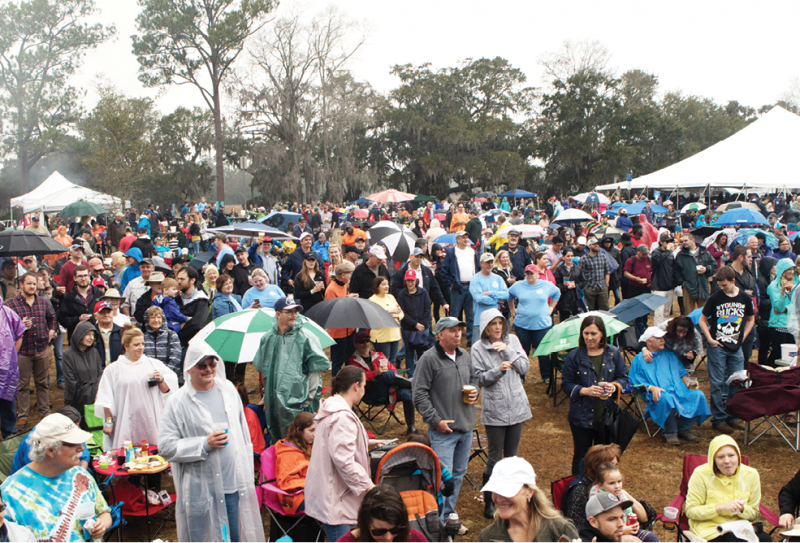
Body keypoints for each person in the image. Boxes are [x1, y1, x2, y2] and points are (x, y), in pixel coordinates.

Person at [159, 347, 264, 543]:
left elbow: (242, 436)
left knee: (234, 536)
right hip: (201, 488)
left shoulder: (228, 392)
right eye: (202, 366)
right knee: (204, 538)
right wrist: (203, 444)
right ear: (189, 368)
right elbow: (165, 447)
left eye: (212, 364)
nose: (208, 369)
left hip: (231, 484)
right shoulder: (177, 402)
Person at [0, 413, 112, 541]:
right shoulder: (10, 493)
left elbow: (104, 512)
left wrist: (101, 525)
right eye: (73, 444)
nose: (81, 448)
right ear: (51, 450)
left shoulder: (80, 474)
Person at [412, 317, 476, 531]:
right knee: (441, 477)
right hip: (443, 432)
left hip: (465, 427)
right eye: (452, 331)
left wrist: (475, 391)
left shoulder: (465, 356)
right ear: (440, 334)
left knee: (458, 474)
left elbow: (473, 380)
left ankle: (448, 516)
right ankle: (433, 521)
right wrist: (435, 420)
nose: (458, 334)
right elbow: (418, 394)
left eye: (459, 330)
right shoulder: (428, 359)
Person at [306, 366, 381, 541]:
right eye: (364, 385)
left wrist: (365, 444)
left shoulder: (332, 409)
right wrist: (369, 488)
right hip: (338, 500)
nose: (364, 389)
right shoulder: (342, 417)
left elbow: (331, 445)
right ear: (356, 386)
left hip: (334, 495)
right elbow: (344, 461)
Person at [471, 309, 531, 518]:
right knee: (495, 457)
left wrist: (507, 351)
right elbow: (478, 378)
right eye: (493, 324)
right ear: (486, 327)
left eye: (500, 323)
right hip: (495, 407)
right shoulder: (478, 348)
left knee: (512, 457)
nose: (497, 327)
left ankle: (510, 498)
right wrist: (498, 370)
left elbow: (524, 367)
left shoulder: (512, 340)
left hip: (516, 405)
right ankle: (489, 500)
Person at [252, 297, 330, 440]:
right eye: (289, 312)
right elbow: (265, 371)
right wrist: (265, 396)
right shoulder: (268, 339)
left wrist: (309, 399)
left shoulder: (305, 337)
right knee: (278, 438)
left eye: (295, 311)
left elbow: (314, 372)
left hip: (299, 402)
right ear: (278, 314)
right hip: (273, 401)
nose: (294, 315)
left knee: (299, 441)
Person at [561, 316, 628, 475]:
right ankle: (578, 490)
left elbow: (624, 378)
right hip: (581, 416)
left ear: (602, 335)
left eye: (593, 333)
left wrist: (614, 386)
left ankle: (603, 488)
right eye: (585, 333)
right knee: (581, 456)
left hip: (607, 415)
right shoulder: (574, 356)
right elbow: (566, 384)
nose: (589, 338)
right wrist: (584, 390)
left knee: (605, 456)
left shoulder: (614, 353)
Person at [94, 324, 178, 449]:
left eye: (143, 344)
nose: (141, 348)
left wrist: (161, 380)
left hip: (149, 420)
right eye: (136, 345)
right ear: (126, 346)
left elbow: (169, 392)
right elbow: (106, 398)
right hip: (125, 419)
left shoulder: (153, 364)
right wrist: (109, 422)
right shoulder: (113, 369)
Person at [629, 326, 711, 445]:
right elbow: (635, 381)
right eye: (658, 338)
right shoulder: (639, 359)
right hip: (657, 392)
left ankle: (684, 428)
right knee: (666, 398)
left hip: (679, 390)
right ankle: (670, 432)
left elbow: (682, 373)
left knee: (698, 395)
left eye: (663, 337)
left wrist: (688, 382)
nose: (663, 339)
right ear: (649, 341)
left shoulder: (670, 355)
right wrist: (652, 388)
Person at [699, 266, 754, 435]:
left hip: (736, 347)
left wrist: (743, 337)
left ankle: (732, 416)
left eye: (724, 285)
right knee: (716, 383)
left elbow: (751, 319)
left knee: (736, 381)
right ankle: (719, 418)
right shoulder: (715, 298)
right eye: (719, 285)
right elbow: (702, 320)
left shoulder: (744, 297)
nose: (721, 288)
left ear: (733, 281)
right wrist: (709, 339)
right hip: (718, 347)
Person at [685, 435, 771, 543]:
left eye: (731, 455)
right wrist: (720, 508)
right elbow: (691, 511)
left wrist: (742, 509)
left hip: (739, 527)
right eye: (720, 457)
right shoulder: (701, 474)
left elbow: (753, 514)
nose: (727, 461)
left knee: (765, 539)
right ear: (713, 459)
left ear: (738, 456)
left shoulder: (751, 474)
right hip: (710, 529)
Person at [479, 456, 579, 543]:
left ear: (530, 492)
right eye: (495, 490)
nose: (499, 499)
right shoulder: (487, 536)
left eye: (507, 491)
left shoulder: (560, 530)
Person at [6, 272, 58, 430]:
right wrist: (20, 325)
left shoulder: (43, 301)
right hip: (22, 351)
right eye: (28, 284)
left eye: (34, 284)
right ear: (21, 284)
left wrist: (51, 331)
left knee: (42, 383)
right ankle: (23, 416)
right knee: (22, 385)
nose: (32, 287)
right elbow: (5, 326)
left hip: (42, 347)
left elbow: (52, 318)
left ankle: (44, 412)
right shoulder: (11, 304)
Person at [348, 330, 415, 433]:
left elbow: (392, 369)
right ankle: (414, 384)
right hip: (370, 393)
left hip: (388, 390)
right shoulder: (352, 361)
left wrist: (394, 385)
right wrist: (375, 373)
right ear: (355, 344)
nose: (365, 344)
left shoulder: (378, 355)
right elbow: (357, 378)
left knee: (407, 393)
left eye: (367, 340)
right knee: (385, 374)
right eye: (362, 341)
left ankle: (411, 428)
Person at [509, 264, 561, 384]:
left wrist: (551, 308)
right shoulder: (518, 286)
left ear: (537, 274)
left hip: (542, 325)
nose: (530, 275)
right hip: (522, 325)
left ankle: (546, 376)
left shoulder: (546, 285)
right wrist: (512, 310)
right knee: (522, 351)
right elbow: (509, 296)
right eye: (528, 273)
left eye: (532, 273)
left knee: (543, 352)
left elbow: (557, 294)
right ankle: (520, 375)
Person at [338, 484, 428, 543]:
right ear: (366, 524)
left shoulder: (416, 539)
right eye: (379, 531)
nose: (388, 538)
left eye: (395, 530)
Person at [62, 321, 104, 427]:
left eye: (93, 335)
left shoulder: (94, 352)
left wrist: (97, 392)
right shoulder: (68, 355)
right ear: (79, 334)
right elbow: (71, 381)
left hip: (96, 399)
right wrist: (90, 393)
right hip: (76, 400)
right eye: (88, 334)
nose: (91, 338)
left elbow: (100, 373)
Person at [441, 231, 480, 344]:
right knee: (455, 314)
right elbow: (444, 270)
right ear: (457, 239)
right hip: (457, 287)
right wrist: (450, 283)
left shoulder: (473, 252)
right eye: (463, 237)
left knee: (471, 314)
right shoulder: (452, 252)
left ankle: (470, 338)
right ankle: (453, 337)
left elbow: (477, 267)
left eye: (466, 237)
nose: (465, 239)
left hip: (471, 286)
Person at [275, 412, 315, 515]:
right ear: (299, 430)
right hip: (294, 499)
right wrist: (316, 483)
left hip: (311, 492)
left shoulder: (307, 444)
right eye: (311, 430)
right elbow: (287, 483)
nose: (315, 434)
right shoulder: (288, 453)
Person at [0, 293, 26, 438]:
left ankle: (8, 430)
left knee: (7, 399)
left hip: (6, 367)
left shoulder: (7, 312)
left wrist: (11, 356)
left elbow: (19, 333)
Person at [397, 269, 432, 378]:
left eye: (412, 280)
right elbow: (402, 313)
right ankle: (411, 376)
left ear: (416, 281)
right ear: (405, 281)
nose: (410, 283)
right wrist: (415, 324)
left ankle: (422, 375)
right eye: (408, 281)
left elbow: (427, 309)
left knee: (422, 353)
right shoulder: (402, 295)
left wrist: (421, 324)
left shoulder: (423, 292)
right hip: (408, 328)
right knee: (409, 352)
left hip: (422, 327)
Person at [468, 252, 510, 342]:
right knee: (477, 348)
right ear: (481, 263)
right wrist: (497, 301)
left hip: (495, 320)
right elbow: (479, 298)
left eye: (491, 262)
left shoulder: (498, 278)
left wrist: (490, 293)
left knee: (495, 348)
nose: (490, 264)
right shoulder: (475, 279)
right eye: (487, 262)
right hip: (480, 320)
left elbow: (506, 294)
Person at [326, 261, 357, 376]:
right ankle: (336, 385)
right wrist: (348, 298)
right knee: (338, 361)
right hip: (338, 333)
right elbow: (332, 311)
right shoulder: (331, 290)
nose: (351, 276)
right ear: (343, 275)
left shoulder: (344, 285)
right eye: (349, 274)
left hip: (349, 330)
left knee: (351, 358)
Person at [58, 264, 103, 342]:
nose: (83, 279)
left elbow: (106, 314)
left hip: (97, 337)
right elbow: (62, 319)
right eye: (80, 276)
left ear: (89, 276)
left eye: (85, 275)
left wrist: (93, 318)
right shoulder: (68, 298)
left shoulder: (99, 295)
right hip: (76, 339)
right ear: (74, 278)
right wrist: (78, 319)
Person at [730, 246, 758, 367]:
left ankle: (743, 382)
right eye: (749, 256)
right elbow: (717, 296)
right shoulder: (726, 273)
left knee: (746, 355)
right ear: (741, 257)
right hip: (731, 321)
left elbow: (755, 296)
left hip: (748, 321)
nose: (751, 259)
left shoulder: (749, 275)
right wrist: (740, 294)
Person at [176, 266, 210, 365]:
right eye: (177, 278)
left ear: (192, 280)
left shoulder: (201, 300)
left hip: (191, 346)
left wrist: (179, 330)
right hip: (175, 346)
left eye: (182, 279)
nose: (178, 281)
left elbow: (198, 324)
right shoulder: (175, 298)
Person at [674, 235, 716, 314]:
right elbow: (676, 270)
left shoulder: (705, 252)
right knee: (689, 312)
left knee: (705, 311)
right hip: (688, 286)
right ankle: (690, 326)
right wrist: (682, 282)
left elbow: (714, 265)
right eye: (683, 241)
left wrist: (706, 269)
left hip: (703, 285)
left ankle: (704, 326)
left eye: (686, 241)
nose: (683, 243)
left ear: (692, 240)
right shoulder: (681, 255)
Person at [767, 258, 796, 366]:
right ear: (782, 270)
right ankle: (771, 377)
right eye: (789, 269)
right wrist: (783, 292)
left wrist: (787, 309)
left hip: (792, 325)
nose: (791, 272)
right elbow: (778, 308)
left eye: (793, 269)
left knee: (791, 357)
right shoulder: (773, 286)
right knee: (777, 355)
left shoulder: (795, 284)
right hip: (778, 325)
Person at [369, 276, 403, 364]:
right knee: (384, 361)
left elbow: (401, 313)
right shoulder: (372, 300)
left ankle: (391, 377)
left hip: (394, 334)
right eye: (383, 284)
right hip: (382, 336)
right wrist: (390, 311)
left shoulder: (391, 297)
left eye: (387, 284)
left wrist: (395, 315)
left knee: (392, 361)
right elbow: (375, 315)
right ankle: (384, 378)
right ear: (377, 286)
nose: (387, 286)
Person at [143, 306, 183, 378]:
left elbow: (176, 358)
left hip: (168, 376)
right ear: (147, 320)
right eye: (152, 317)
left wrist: (164, 374)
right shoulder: (143, 338)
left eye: (159, 317)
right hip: (149, 377)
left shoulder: (171, 335)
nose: (156, 320)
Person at [623, 244, 653, 336]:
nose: (645, 255)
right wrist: (635, 278)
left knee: (645, 309)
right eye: (643, 254)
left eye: (646, 254)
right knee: (636, 309)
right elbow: (626, 273)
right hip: (634, 288)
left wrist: (651, 281)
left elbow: (651, 271)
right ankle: (636, 327)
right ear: (638, 252)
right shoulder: (631, 260)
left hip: (646, 288)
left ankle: (644, 324)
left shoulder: (649, 259)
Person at [651, 233, 677, 326]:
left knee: (666, 311)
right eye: (667, 241)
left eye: (670, 241)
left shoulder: (670, 253)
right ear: (661, 242)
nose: (669, 243)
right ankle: (657, 330)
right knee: (659, 312)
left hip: (669, 286)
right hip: (658, 286)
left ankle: (664, 330)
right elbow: (657, 261)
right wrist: (667, 251)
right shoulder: (656, 252)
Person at [581, 237, 610, 311]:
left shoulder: (603, 256)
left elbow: (607, 271)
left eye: (597, 244)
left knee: (605, 308)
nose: (596, 245)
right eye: (594, 244)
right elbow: (581, 274)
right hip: (590, 287)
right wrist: (585, 286)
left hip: (602, 286)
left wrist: (606, 284)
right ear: (589, 246)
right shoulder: (584, 258)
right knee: (590, 310)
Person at [554, 247, 582, 321]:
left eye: (571, 256)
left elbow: (583, 281)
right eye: (568, 256)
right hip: (564, 300)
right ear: (563, 257)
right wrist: (566, 287)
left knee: (577, 320)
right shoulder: (559, 269)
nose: (570, 258)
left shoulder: (578, 268)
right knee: (564, 321)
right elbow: (556, 284)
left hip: (576, 298)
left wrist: (575, 285)